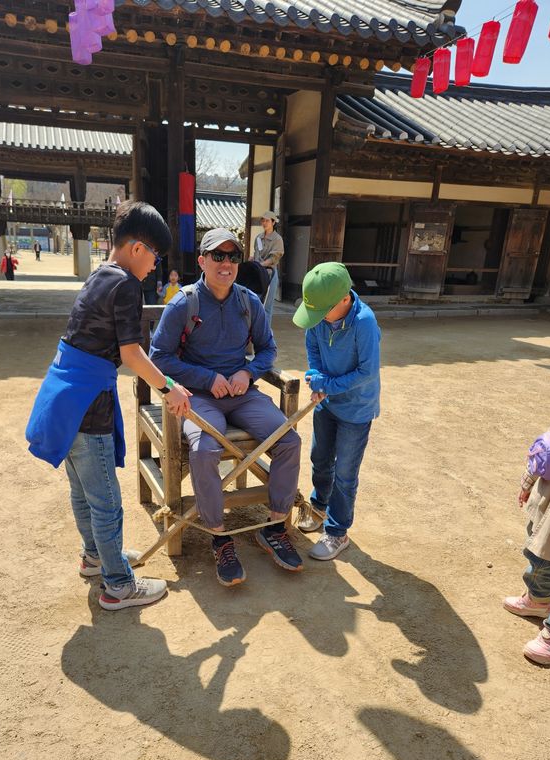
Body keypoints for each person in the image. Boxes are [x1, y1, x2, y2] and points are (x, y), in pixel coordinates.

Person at [26, 201, 192, 611]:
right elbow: (132, 355)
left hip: (64, 400)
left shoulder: (101, 274)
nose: (155, 265)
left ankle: (96, 558)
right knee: (105, 500)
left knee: (82, 491)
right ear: (137, 248)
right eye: (155, 255)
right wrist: (170, 387)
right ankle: (118, 585)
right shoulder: (127, 286)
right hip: (88, 405)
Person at [150, 227, 302, 588]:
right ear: (202, 261)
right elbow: (159, 357)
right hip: (198, 396)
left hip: (242, 393)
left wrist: (248, 372)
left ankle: (274, 525)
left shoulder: (249, 302)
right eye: (217, 255)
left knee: (289, 441)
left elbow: (267, 349)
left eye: (233, 257)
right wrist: (205, 378)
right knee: (204, 449)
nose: (226, 263)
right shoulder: (183, 304)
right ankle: (219, 536)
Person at [293, 262, 380, 560]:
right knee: (320, 458)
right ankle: (319, 505)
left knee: (345, 473)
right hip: (327, 402)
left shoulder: (364, 322)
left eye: (321, 312)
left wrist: (326, 384)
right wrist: (316, 377)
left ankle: (337, 531)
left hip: (356, 409)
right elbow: (313, 349)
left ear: (344, 299)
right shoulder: (318, 317)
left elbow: (367, 371)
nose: (316, 319)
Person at [503, 427, 550, 665]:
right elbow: (545, 447)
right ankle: (539, 600)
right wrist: (528, 480)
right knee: (538, 557)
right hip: (547, 501)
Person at [252, 211, 284, 325]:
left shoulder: (277, 239)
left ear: (273, 222)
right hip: (256, 274)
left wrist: (260, 265)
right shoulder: (258, 238)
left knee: (267, 306)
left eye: (267, 221)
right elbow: (256, 253)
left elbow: (274, 258)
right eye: (263, 220)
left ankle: (265, 333)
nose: (264, 223)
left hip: (270, 273)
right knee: (255, 303)